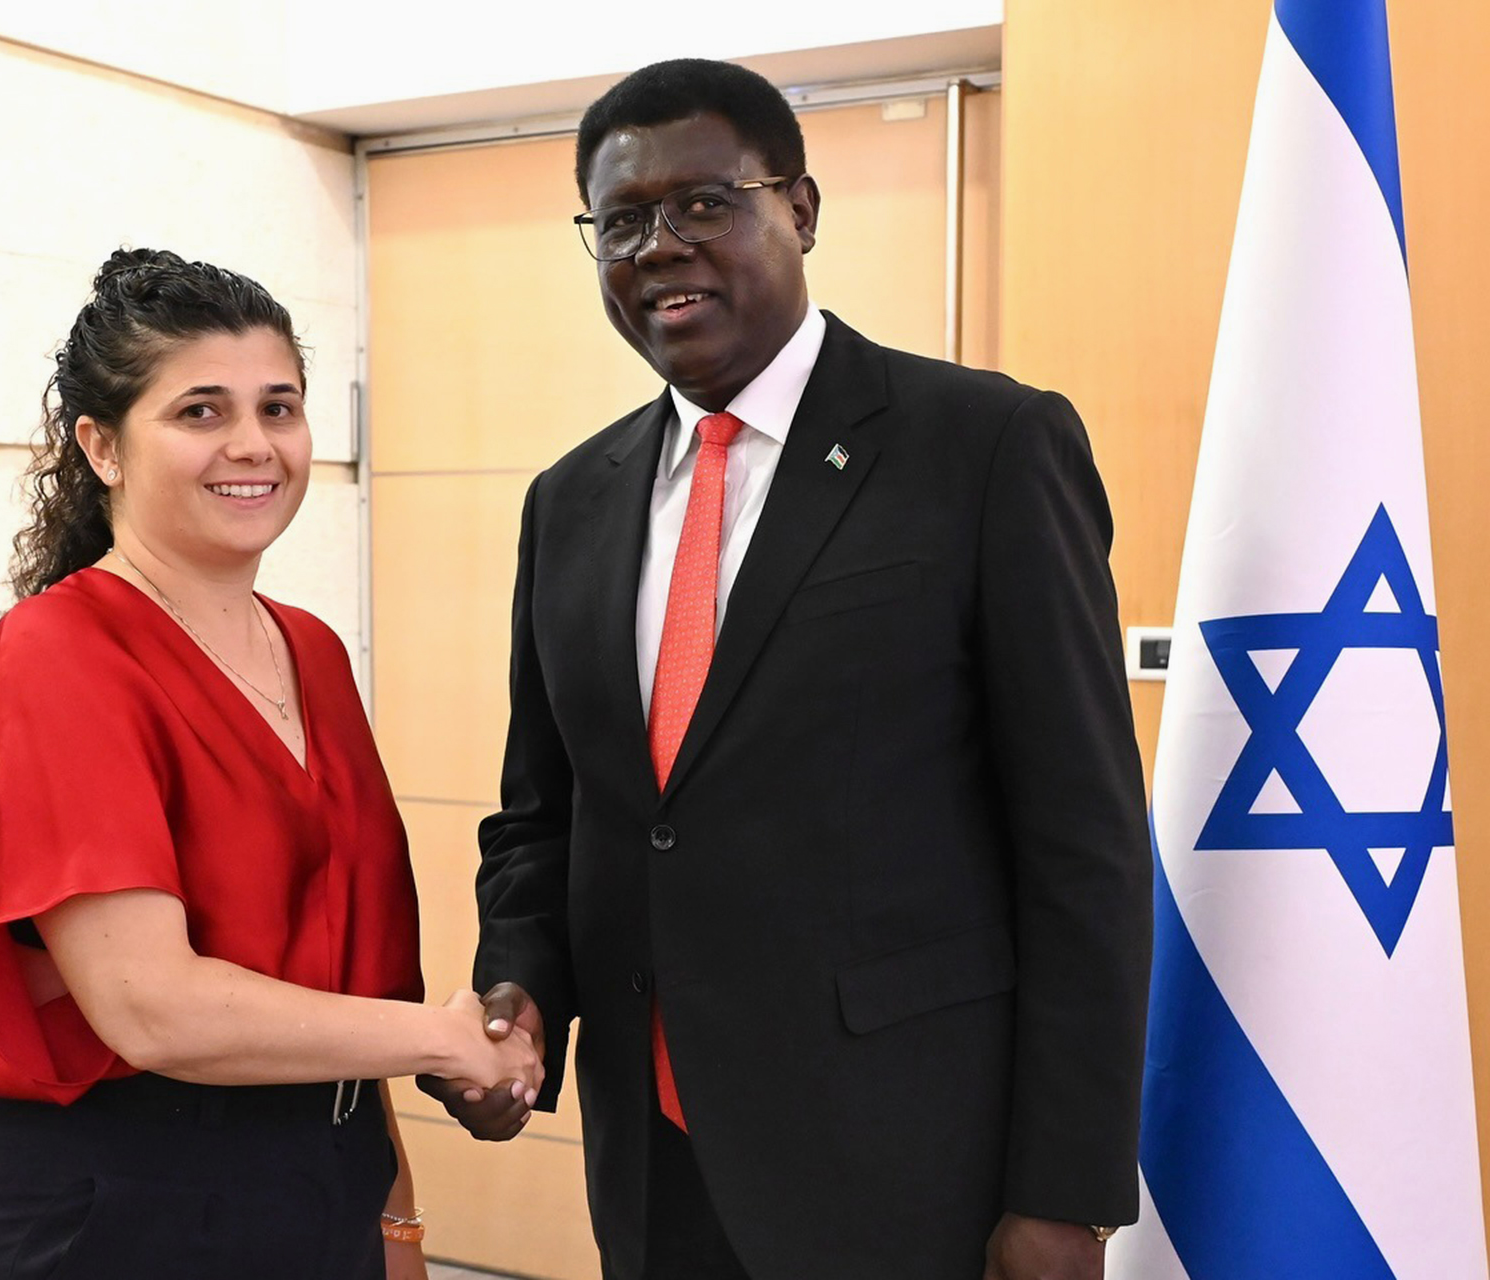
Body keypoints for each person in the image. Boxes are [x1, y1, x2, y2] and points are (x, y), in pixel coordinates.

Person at [421, 60, 1153, 1279]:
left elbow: (1086, 842)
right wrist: (521, 990)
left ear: (800, 209)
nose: (661, 245)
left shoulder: (984, 445)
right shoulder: (571, 500)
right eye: (622, 221)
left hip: (912, 1162)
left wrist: (1065, 1189)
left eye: (705, 203)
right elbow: (549, 816)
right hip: (655, 1162)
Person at [0, 249, 542, 1280]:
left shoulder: (312, 650)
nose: (254, 444)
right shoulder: (56, 651)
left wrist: (396, 1221)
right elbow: (149, 1006)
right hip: (116, 1215)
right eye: (200, 411)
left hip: (321, 1191)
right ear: (101, 445)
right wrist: (440, 1038)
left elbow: (337, 992)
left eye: (279, 407)